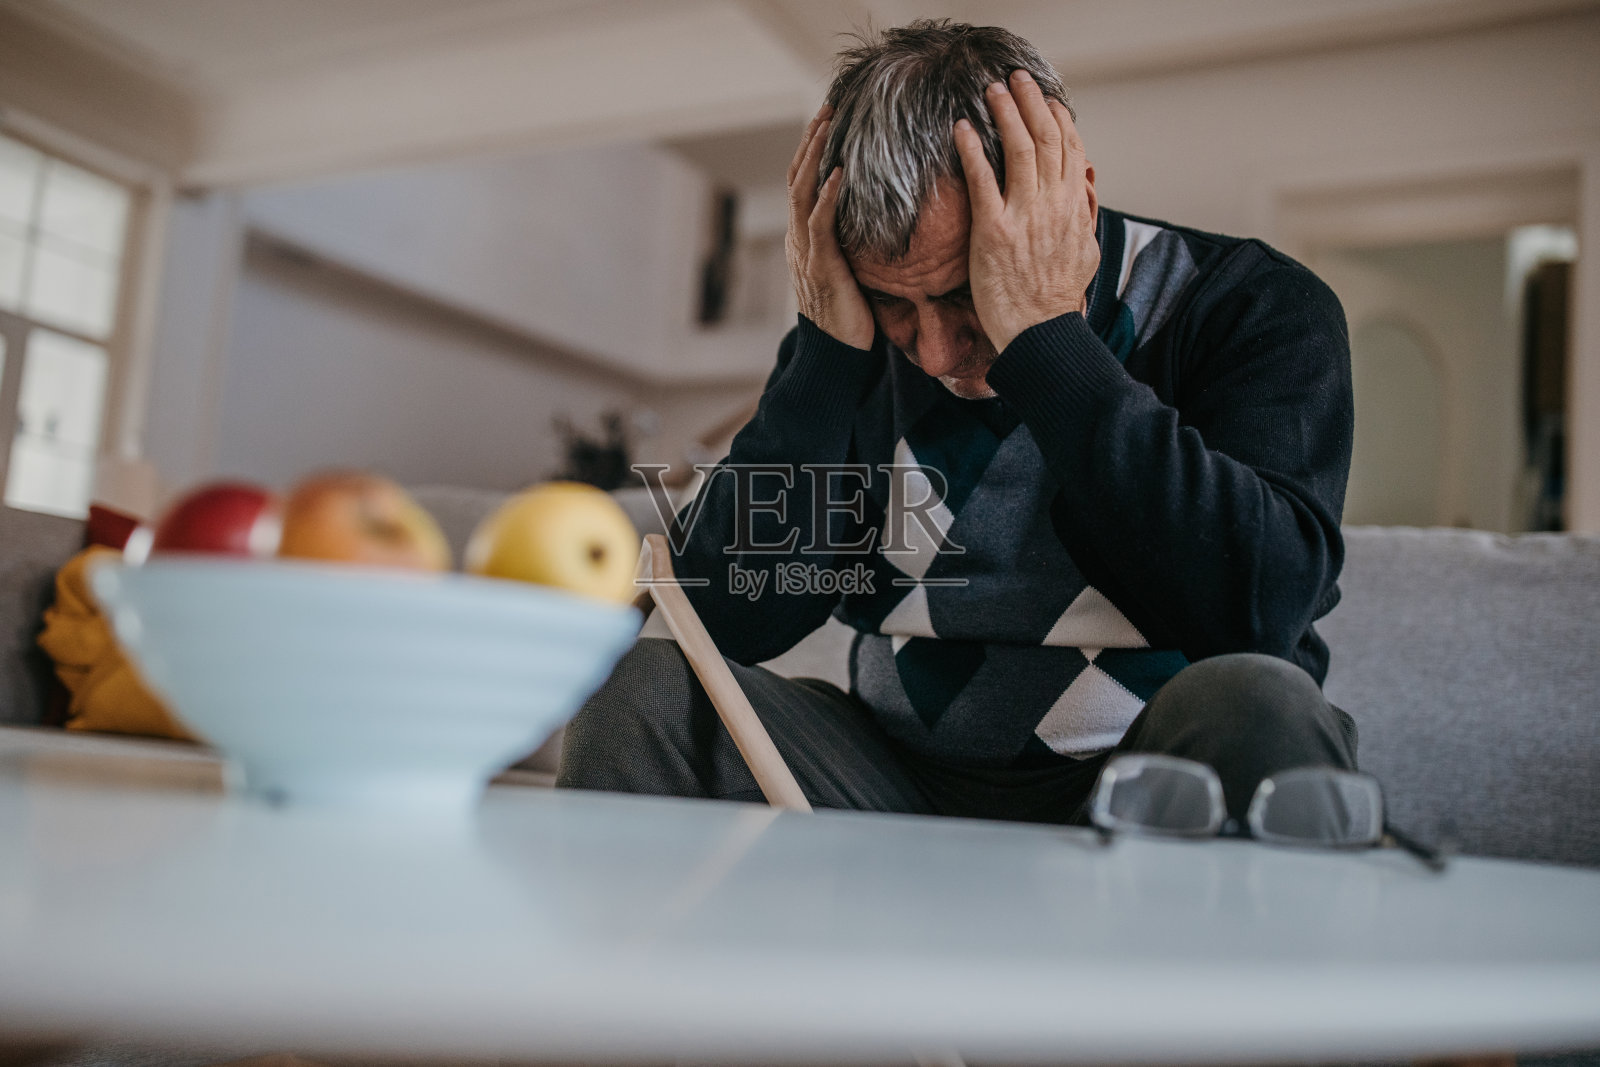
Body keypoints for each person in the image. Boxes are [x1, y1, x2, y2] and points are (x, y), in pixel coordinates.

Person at [559, 19, 1357, 825]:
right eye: (894, 302)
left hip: (1141, 775)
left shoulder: (1249, 305)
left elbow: (1259, 609)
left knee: (1261, 701)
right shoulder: (852, 340)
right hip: (891, 780)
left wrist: (1046, 343)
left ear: (1072, 201)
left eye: (964, 290)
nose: (935, 351)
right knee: (640, 694)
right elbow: (730, 616)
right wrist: (825, 359)